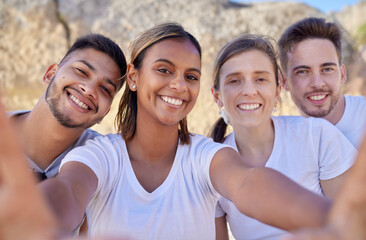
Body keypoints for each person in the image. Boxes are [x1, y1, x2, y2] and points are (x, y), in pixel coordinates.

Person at [39, 23, 330, 239]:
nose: (179, 85)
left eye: (190, 76)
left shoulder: (206, 157)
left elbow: (246, 184)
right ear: (133, 77)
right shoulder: (100, 156)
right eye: (164, 70)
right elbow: (68, 191)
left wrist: (330, 217)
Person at [210, 34, 356, 240]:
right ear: (217, 96)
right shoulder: (211, 167)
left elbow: (352, 226)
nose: (249, 90)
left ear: (278, 90)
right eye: (235, 81)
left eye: (261, 79)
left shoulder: (316, 136)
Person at [8, 33, 127, 181]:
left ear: (105, 113)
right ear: (50, 74)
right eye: (82, 71)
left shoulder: (104, 162)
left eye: (105, 89)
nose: (89, 89)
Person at [278, 17, 366, 149]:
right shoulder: (283, 144)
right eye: (302, 72)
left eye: (327, 69)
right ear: (284, 81)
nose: (318, 83)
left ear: (342, 74)